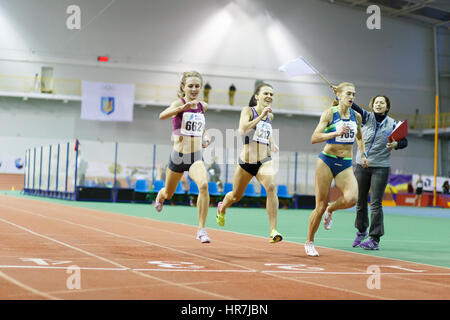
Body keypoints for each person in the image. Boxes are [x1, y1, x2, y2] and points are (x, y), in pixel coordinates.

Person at [305, 82, 368, 257]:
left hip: (346, 163)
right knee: (319, 205)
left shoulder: (357, 116)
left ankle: (331, 209)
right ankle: (309, 242)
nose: (351, 97)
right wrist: (335, 133)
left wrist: (363, 154)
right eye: (348, 93)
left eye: (354, 94)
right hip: (327, 161)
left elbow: (360, 137)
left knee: (352, 198)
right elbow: (314, 137)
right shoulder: (329, 114)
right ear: (338, 95)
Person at [215, 83, 283, 243]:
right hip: (246, 162)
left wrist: (272, 142)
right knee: (236, 196)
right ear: (257, 96)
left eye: (272, 94)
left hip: (264, 161)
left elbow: (266, 130)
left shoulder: (270, 116)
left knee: (271, 188)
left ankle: (273, 230)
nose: (269, 97)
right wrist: (260, 116)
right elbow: (242, 130)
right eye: (266, 93)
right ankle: (222, 207)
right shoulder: (248, 110)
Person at [153, 71, 212, 243]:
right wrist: (181, 109)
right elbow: (162, 115)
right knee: (169, 193)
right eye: (190, 86)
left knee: (203, 186)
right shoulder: (179, 102)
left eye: (197, 86)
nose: (194, 89)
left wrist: (206, 136)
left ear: (200, 87)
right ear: (183, 87)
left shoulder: (203, 106)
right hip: (178, 156)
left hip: (195, 156)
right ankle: (160, 196)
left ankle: (201, 230)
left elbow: (201, 124)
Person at [349, 95, 408, 251]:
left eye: (382, 102)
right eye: (376, 102)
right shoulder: (367, 117)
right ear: (372, 105)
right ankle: (361, 231)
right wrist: (341, 94)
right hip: (362, 166)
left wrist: (396, 144)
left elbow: (404, 141)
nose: (379, 104)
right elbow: (353, 106)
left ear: (387, 107)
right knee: (360, 202)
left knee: (375, 204)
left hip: (381, 167)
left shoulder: (393, 124)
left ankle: (374, 239)